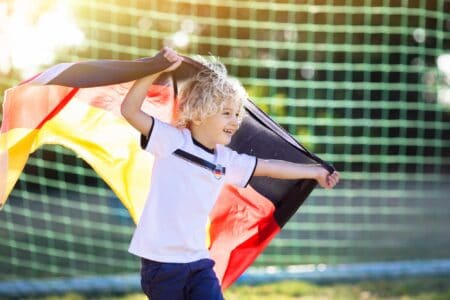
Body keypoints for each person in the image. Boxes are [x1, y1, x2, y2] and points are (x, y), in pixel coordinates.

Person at [121, 47, 340, 300]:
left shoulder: (226, 160)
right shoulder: (171, 141)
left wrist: (314, 172)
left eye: (237, 114)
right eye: (226, 113)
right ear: (199, 113)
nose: (236, 121)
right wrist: (154, 69)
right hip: (162, 265)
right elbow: (130, 110)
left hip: (198, 261)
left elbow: (268, 167)